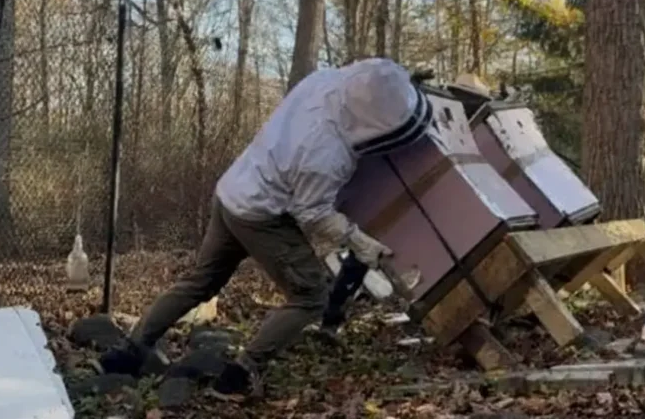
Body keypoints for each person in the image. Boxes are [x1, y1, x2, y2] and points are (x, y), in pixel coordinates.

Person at [99, 57, 434, 400]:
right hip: (261, 216)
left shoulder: (321, 83)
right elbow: (312, 214)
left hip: (231, 192)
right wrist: (357, 240)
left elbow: (374, 84)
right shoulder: (326, 154)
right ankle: (239, 375)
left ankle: (129, 350)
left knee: (201, 281)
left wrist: (406, 84)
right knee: (310, 296)